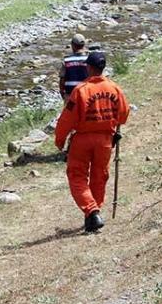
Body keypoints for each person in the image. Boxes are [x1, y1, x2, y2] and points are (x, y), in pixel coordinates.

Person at [54, 51, 129, 233]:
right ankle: (93, 215)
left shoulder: (81, 90)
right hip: (105, 140)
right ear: (103, 68)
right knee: (99, 176)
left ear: (88, 67)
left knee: (76, 176)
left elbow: (67, 119)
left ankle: (92, 210)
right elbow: (124, 114)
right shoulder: (114, 89)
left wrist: (60, 140)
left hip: (83, 139)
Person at [59, 33, 89, 100]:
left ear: (72, 45)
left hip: (71, 96)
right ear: (84, 45)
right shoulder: (89, 59)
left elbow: (62, 79)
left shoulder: (66, 60)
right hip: (86, 94)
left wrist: (62, 93)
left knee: (70, 110)